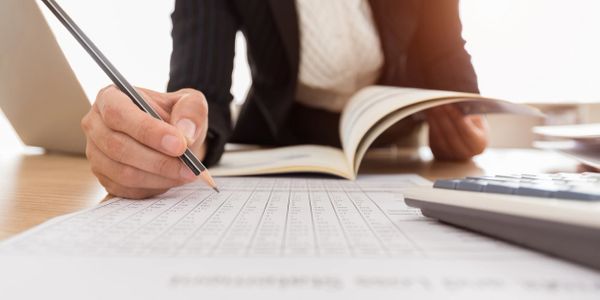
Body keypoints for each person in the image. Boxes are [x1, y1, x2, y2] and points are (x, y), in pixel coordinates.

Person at [81, 0, 489, 199]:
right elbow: (197, 91)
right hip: (280, 142)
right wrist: (179, 135)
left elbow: (446, 53)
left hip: (392, 145)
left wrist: (470, 126)